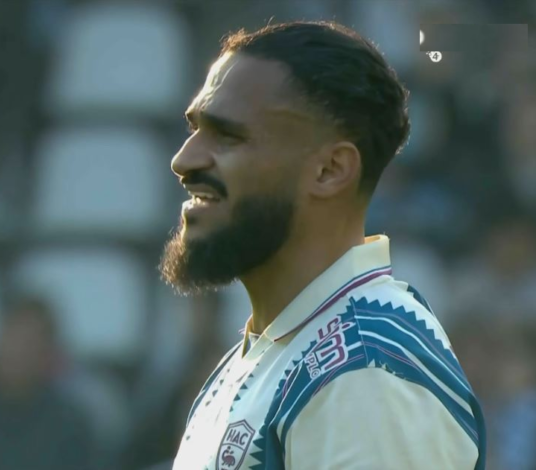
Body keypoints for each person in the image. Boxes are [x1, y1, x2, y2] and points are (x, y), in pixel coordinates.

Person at [159, 21, 486, 470]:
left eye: (228, 136)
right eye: (195, 129)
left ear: (330, 170)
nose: (184, 160)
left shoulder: (367, 372)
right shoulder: (265, 356)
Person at [0, 295, 93, 470]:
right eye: (10, 339)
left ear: (48, 354)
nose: (15, 353)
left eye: (27, 343)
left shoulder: (71, 426)